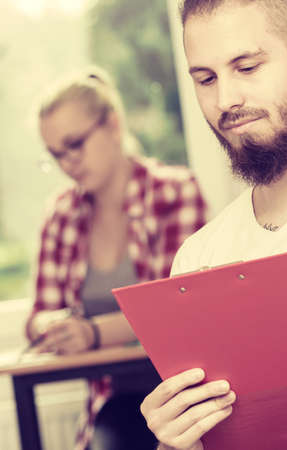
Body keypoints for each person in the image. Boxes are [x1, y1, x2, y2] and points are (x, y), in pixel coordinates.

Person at [140, 1, 287, 449]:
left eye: (246, 67)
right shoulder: (198, 261)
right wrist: (175, 441)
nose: (225, 100)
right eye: (206, 79)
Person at [25, 66, 207, 450]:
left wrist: (91, 333)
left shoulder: (174, 192)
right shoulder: (61, 215)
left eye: (74, 144)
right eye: (56, 154)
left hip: (186, 393)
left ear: (113, 124)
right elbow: (39, 315)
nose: (67, 163)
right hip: (115, 401)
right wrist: (52, 326)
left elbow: (177, 308)